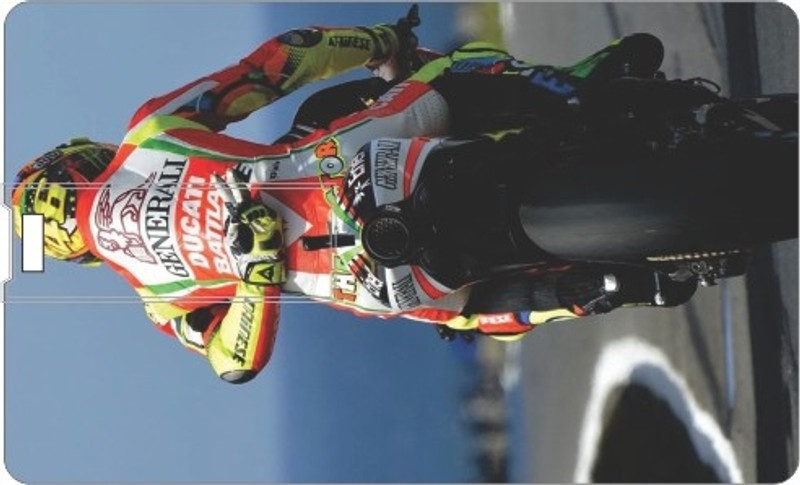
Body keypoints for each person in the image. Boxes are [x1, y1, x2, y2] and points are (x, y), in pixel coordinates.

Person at [12, 16, 694, 383]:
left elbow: (233, 363)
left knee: (462, 316)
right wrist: (380, 42)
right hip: (348, 163)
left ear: (74, 252)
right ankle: (574, 90)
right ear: (80, 160)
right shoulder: (148, 132)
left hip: (360, 278)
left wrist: (256, 279)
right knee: (447, 75)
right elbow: (281, 60)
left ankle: (604, 288)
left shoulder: (158, 299)